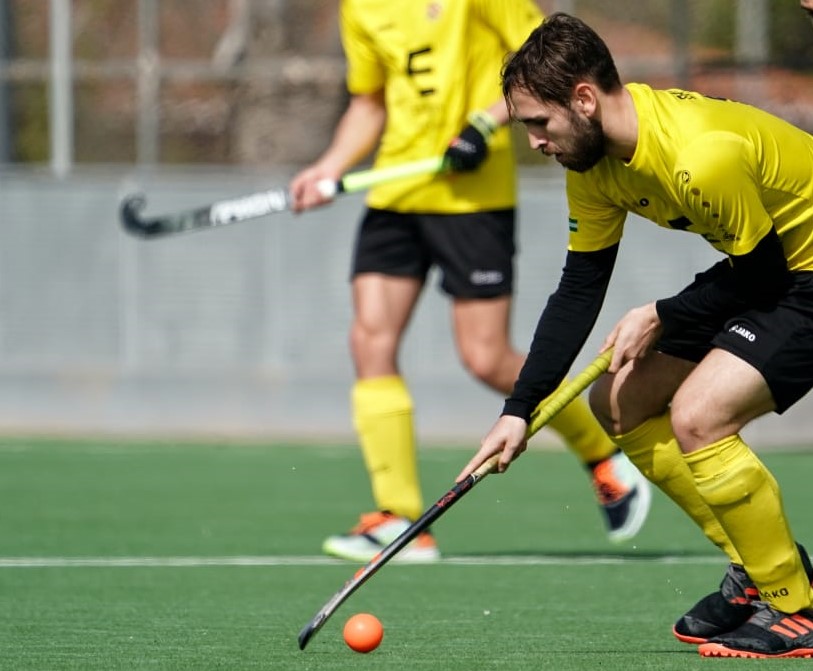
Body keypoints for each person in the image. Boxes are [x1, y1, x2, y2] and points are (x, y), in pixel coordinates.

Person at [457, 12, 813, 659]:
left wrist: (663, 312)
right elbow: (576, 291)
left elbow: (763, 277)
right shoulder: (591, 167)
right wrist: (519, 410)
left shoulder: (698, 154)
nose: (533, 141)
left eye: (538, 122)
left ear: (584, 99)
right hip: (766, 266)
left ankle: (797, 608)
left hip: (800, 271)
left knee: (699, 415)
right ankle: (760, 570)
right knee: (618, 401)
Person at [288, 1, 650, 563]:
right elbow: (370, 102)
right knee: (369, 340)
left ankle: (602, 455)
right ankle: (400, 517)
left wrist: (485, 123)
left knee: (484, 357)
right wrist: (329, 167)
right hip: (397, 195)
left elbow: (544, 66)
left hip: (473, 199)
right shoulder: (358, 8)